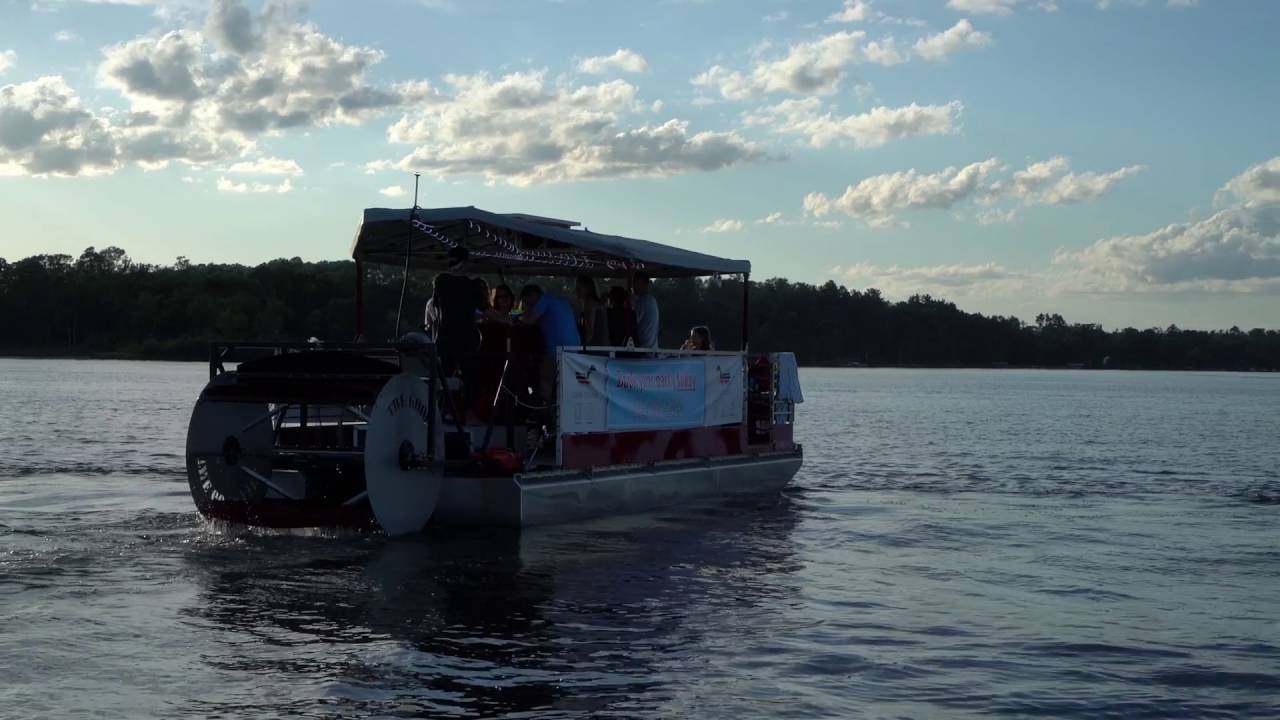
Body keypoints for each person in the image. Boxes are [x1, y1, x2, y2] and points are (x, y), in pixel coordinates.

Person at [519, 284, 581, 402]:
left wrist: (521, 316)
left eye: (528, 303)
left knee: (545, 377)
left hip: (557, 349)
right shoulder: (560, 302)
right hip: (575, 349)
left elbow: (529, 320)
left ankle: (545, 408)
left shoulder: (544, 300)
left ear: (532, 296)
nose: (528, 306)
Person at [575, 275, 611, 347]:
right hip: (603, 347)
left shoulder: (589, 303)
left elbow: (590, 331)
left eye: (579, 288)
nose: (576, 290)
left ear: (587, 288)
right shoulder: (594, 302)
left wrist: (583, 347)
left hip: (596, 347)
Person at [632, 273, 659, 349]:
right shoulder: (652, 300)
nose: (633, 287)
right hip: (651, 347)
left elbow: (633, 322)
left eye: (636, 283)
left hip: (644, 348)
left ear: (643, 284)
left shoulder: (643, 301)